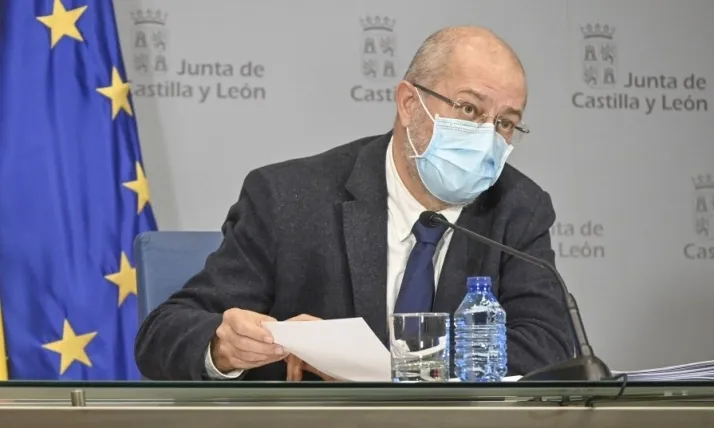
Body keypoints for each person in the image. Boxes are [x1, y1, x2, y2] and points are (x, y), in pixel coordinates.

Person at [135, 26, 572, 381]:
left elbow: (547, 346)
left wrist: (381, 365)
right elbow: (163, 334)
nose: (487, 136)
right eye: (470, 110)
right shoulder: (289, 198)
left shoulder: (518, 208)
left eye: (506, 123)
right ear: (409, 104)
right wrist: (223, 346)